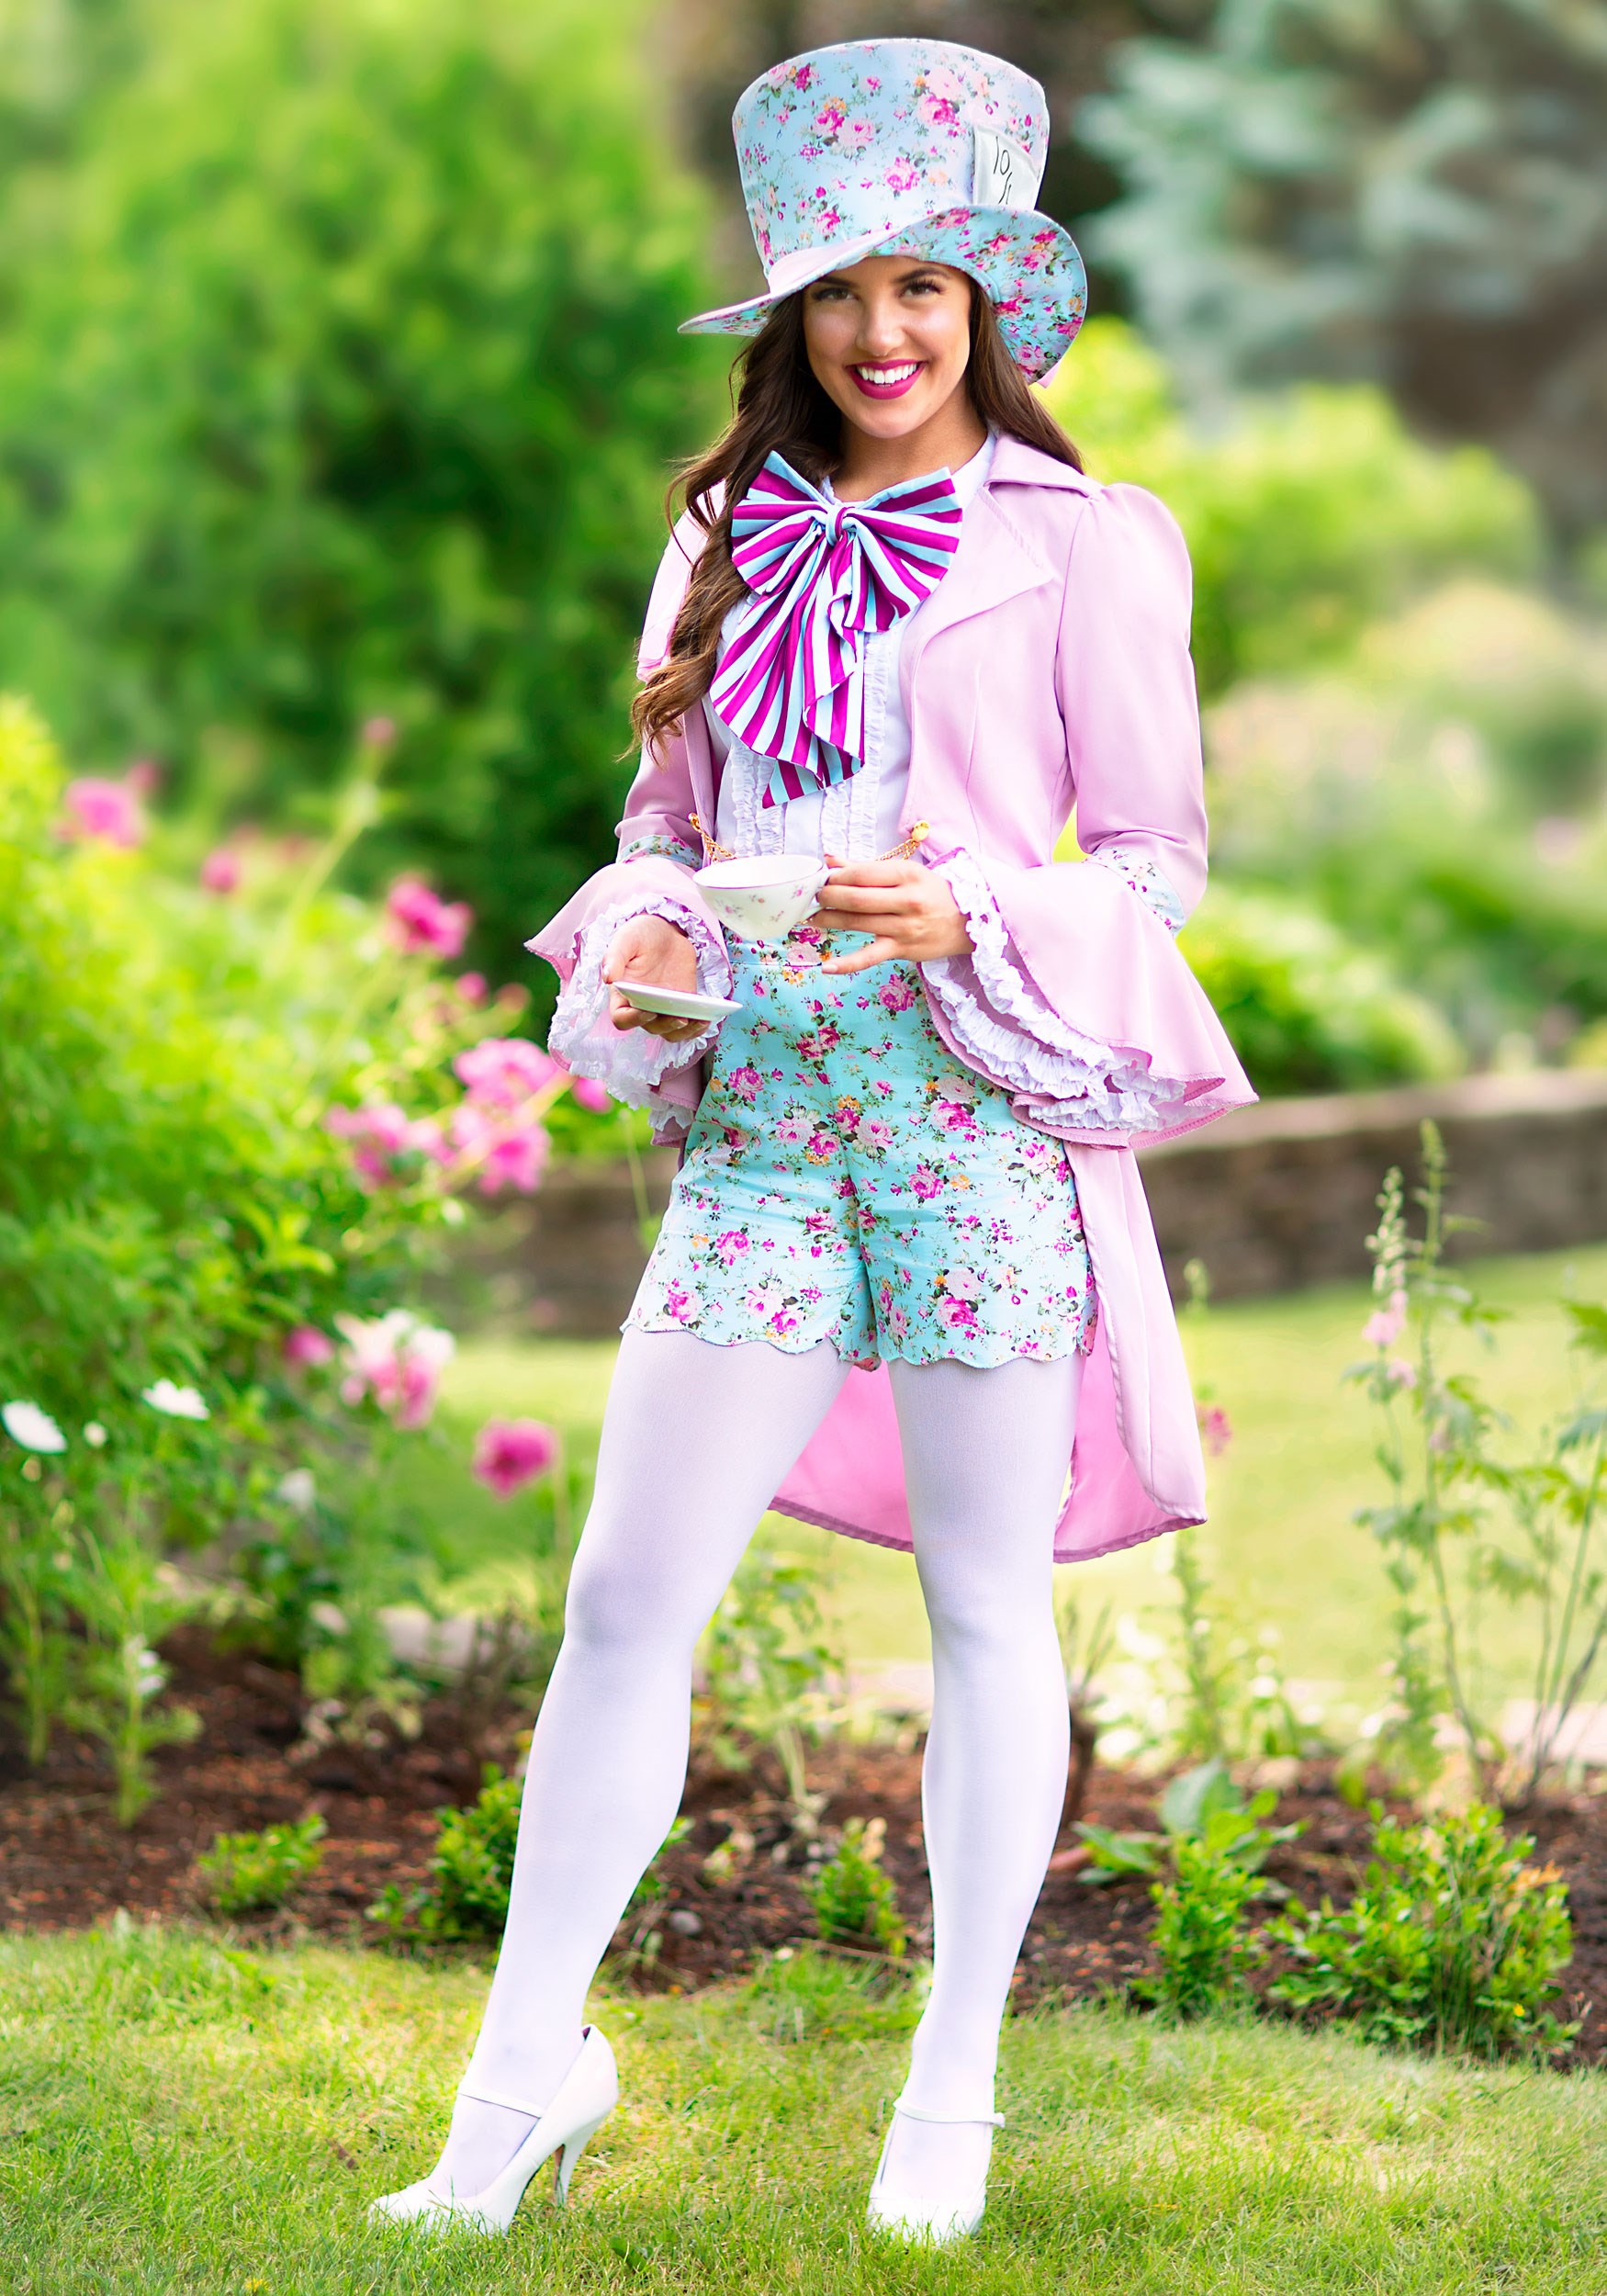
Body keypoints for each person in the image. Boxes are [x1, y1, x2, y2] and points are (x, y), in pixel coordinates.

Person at [372, 34, 1253, 2246]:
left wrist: (980, 909)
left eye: (921, 289)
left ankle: (948, 2091)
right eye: (839, 291)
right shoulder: (722, 534)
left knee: (979, 1608)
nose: (879, 333)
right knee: (618, 1596)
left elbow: (1152, 858)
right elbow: (662, 826)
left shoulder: (1085, 543)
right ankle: (515, 2086)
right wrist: (652, 926)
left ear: (985, 307)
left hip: (975, 1129)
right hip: (764, 1127)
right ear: (790, 315)